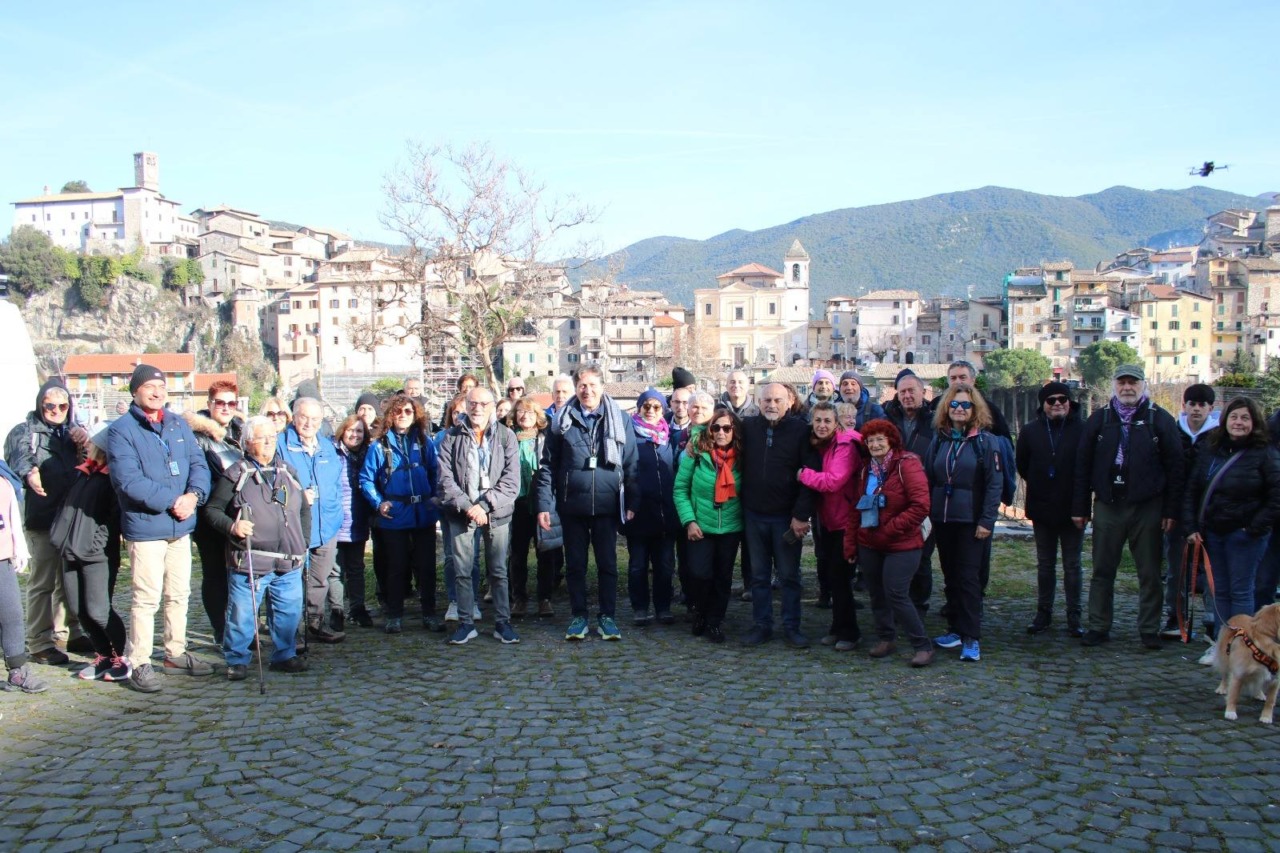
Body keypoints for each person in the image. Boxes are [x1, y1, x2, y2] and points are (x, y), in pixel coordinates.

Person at [107, 364, 213, 692]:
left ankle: (174, 653)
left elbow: (198, 465)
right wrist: (173, 501)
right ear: (135, 391)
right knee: (146, 598)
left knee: (179, 594)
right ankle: (139, 661)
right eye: (149, 387)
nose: (157, 392)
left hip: (180, 526)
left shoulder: (178, 424)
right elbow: (128, 481)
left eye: (161, 387)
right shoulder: (122, 431)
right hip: (146, 528)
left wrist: (194, 496)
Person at [1072, 364, 1183, 650]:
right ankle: (1098, 625)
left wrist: (1171, 511)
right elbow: (1082, 466)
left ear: (1143, 385)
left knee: (1149, 572)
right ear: (1114, 385)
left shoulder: (1160, 420)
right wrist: (1080, 507)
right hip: (1109, 504)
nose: (1127, 388)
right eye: (1122, 382)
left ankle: (1149, 628)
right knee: (1102, 570)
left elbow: (1176, 468)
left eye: (1133, 382)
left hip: (1148, 506)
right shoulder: (1099, 419)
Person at [203, 416, 310, 679]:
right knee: (242, 614)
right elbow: (212, 510)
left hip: (289, 558)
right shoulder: (236, 473)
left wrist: (303, 541)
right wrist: (232, 526)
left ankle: (284, 655)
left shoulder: (288, 471)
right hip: (250, 559)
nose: (269, 442)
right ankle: (237, 660)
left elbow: (304, 510)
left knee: (288, 612)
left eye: (272, 437)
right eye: (262, 438)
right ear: (248, 443)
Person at [536, 365, 638, 642]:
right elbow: (548, 466)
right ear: (576, 388)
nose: (587, 390)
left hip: (607, 505)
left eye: (593, 385)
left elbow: (631, 463)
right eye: (582, 385)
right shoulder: (561, 421)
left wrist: (632, 500)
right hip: (572, 506)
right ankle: (578, 616)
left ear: (602, 387)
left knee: (608, 564)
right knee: (575, 565)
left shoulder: (619, 419)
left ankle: (607, 617)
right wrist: (544, 504)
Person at [4, 378, 89, 665]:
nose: (56, 410)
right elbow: (19, 459)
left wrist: (85, 442)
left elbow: (93, 460)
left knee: (69, 578)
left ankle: (70, 632)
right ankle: (39, 641)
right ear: (40, 404)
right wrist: (31, 474)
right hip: (42, 516)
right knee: (42, 582)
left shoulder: (73, 431)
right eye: (49, 405)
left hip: (72, 515)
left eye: (62, 406)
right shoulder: (25, 431)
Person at [1183, 397, 1280, 637]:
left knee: (1241, 591)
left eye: (1245, 418)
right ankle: (1222, 642)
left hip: (1245, 536)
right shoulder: (1211, 450)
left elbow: (1276, 496)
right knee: (1220, 590)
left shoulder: (1265, 453)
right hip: (1213, 532)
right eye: (1234, 417)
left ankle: (1240, 643)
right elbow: (1193, 489)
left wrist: (1253, 528)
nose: (1238, 422)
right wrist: (1192, 526)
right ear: (1225, 420)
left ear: (1254, 422)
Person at [844, 419, 933, 667]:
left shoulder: (907, 464)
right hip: (869, 542)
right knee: (877, 593)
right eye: (870, 440)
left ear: (891, 441)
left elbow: (921, 506)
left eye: (880, 439)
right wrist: (851, 543)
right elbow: (856, 508)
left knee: (896, 593)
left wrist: (890, 529)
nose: (875, 444)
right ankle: (886, 638)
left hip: (903, 543)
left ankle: (922, 645)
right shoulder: (866, 470)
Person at [436, 386, 521, 645]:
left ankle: (503, 623)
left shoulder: (506, 436)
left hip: (496, 512)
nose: (478, 408)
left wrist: (484, 505)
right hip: (461, 513)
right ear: (466, 405)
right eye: (473, 403)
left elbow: (511, 481)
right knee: (462, 570)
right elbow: (445, 480)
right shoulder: (451, 437)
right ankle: (466, 623)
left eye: (484, 403)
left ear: (493, 406)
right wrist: (467, 506)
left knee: (498, 571)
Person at [925, 383, 1001, 662]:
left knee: (969, 578)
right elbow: (929, 477)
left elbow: (994, 485)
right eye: (954, 404)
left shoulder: (985, 442)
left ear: (974, 408)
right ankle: (955, 629)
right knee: (951, 576)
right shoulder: (940, 439)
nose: (959, 409)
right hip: (943, 520)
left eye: (965, 404)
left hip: (971, 522)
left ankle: (971, 636)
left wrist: (987, 521)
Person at [739, 382, 815, 648]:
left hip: (786, 517)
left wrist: (801, 515)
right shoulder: (748, 427)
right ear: (758, 402)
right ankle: (762, 625)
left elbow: (810, 475)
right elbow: (717, 435)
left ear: (789, 401)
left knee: (789, 576)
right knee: (759, 577)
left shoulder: (801, 431)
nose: (771, 405)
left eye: (777, 400)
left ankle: (792, 626)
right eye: (767, 400)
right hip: (754, 515)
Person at [55, 423, 129, 682]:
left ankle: (121, 657)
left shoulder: (113, 478)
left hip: (97, 556)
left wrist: (95, 545)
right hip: (70, 550)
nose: (88, 445)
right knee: (79, 609)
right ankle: (103, 656)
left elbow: (114, 519)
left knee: (99, 609)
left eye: (92, 443)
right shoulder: (84, 473)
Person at [361, 394, 440, 633]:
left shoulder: (425, 443)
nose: (403, 415)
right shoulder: (379, 446)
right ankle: (394, 614)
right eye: (398, 411)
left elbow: (435, 472)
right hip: (395, 515)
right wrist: (379, 503)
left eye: (408, 411)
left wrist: (434, 496)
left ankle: (429, 613)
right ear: (390, 415)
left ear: (415, 415)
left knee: (426, 567)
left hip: (423, 513)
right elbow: (366, 479)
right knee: (396, 567)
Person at [1015, 381, 1085, 637]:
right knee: (1045, 564)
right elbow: (1022, 464)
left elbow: (1086, 468)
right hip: (1042, 506)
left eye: (1062, 399)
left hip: (1073, 507)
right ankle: (1043, 612)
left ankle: (1074, 615)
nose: (1057, 404)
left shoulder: (1082, 430)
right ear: (1043, 404)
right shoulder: (1030, 431)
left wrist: (1081, 507)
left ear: (1070, 402)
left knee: (1072, 565)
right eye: (1051, 400)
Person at [277, 397, 345, 645]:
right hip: (294, 525)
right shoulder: (280, 445)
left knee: (319, 579)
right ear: (294, 417)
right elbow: (271, 486)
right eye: (304, 417)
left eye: (315, 419)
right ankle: (289, 632)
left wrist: (336, 512)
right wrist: (296, 497)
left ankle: (315, 623)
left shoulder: (327, 446)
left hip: (326, 524)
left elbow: (336, 482)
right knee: (290, 580)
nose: (309, 423)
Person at [674, 407, 742, 643]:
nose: (721, 432)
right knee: (699, 574)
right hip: (700, 526)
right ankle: (699, 612)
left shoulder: (743, 457)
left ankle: (714, 621)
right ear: (710, 430)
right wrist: (689, 521)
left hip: (730, 527)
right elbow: (680, 489)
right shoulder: (696, 453)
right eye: (716, 427)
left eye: (727, 428)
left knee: (723, 578)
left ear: (734, 431)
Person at [184, 379, 244, 645]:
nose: (226, 407)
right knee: (215, 572)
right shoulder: (196, 435)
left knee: (239, 573)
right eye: (220, 402)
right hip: (210, 512)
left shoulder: (240, 430)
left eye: (231, 403)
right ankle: (221, 630)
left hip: (239, 511)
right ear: (209, 404)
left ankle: (240, 627)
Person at [797, 401, 861, 648]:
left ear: (836, 423)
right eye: (818, 420)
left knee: (841, 578)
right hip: (829, 520)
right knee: (834, 577)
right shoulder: (822, 444)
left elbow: (833, 481)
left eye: (827, 421)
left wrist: (803, 474)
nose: (822, 425)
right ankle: (838, 627)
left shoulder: (844, 445)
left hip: (847, 520)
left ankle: (849, 633)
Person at [1161, 383, 1220, 640]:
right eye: (1192, 404)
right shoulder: (1173, 432)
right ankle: (1176, 616)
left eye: (1201, 405)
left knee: (1210, 570)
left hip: (1208, 511)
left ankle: (1212, 620)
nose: (1196, 409)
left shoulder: (1218, 437)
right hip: (1176, 510)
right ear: (1184, 406)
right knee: (1177, 568)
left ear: (1210, 408)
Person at [883, 370, 938, 615]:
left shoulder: (935, 421)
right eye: (902, 392)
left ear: (923, 393)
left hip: (923, 497)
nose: (906, 396)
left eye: (911, 391)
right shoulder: (887, 417)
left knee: (921, 556)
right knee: (894, 554)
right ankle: (897, 606)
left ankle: (918, 607)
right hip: (893, 498)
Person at [625, 389, 679, 626]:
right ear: (639, 408)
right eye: (646, 406)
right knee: (638, 565)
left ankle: (663, 607)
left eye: (656, 407)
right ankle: (640, 607)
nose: (651, 411)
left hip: (665, 512)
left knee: (665, 565)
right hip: (638, 512)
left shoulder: (669, 438)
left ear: (663, 410)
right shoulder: (630, 436)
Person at [508, 399, 557, 618]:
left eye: (529, 411)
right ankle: (519, 598)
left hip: (541, 502)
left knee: (545, 552)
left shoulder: (546, 437)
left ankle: (545, 598)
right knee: (517, 554)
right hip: (516, 503)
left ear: (537, 415)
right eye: (520, 411)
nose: (524, 415)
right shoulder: (508, 437)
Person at [436, 393, 482, 626]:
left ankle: (472, 601)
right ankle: (455, 600)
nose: (460, 415)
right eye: (456, 412)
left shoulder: (481, 436)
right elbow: (441, 474)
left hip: (476, 507)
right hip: (451, 507)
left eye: (464, 410)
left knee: (473, 557)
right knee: (451, 557)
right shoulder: (443, 438)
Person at [0, 471, 46, 693]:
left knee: (11, 614)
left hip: (2, 556)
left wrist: (18, 547)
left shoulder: (3, 474)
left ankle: (17, 671)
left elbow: (11, 514)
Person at [334, 414, 373, 628]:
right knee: (336, 570)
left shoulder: (368, 454)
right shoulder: (333, 453)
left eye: (359, 431)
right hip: (336, 520)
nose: (354, 435)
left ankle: (357, 609)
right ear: (343, 431)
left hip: (358, 518)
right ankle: (336, 610)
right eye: (350, 430)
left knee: (356, 567)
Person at [945, 361, 1011, 439]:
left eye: (962, 377)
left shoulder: (990, 410)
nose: (958, 382)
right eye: (953, 378)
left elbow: (1005, 442)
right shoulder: (936, 406)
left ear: (973, 381)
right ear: (948, 381)